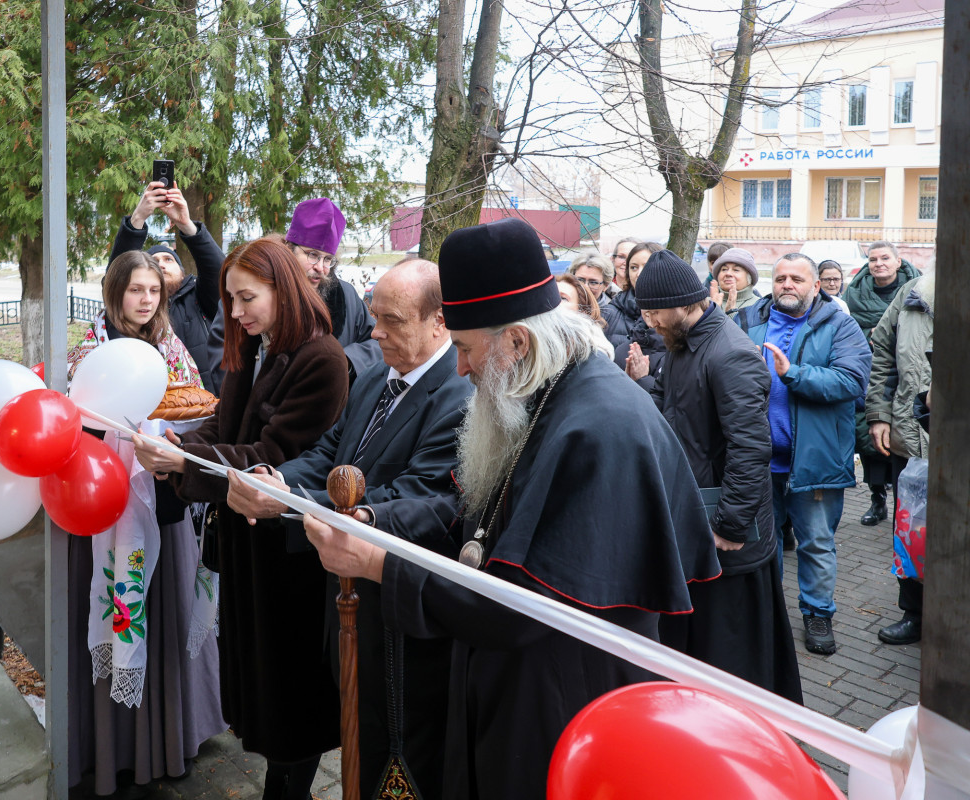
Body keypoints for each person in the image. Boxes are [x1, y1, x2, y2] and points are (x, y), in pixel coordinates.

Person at [301, 217, 720, 799]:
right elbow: (485, 521)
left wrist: (378, 565)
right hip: (529, 686)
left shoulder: (598, 428)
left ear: (518, 341)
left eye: (468, 349)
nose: (462, 368)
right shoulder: (549, 389)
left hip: (561, 706)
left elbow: (523, 605)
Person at [225, 258, 472, 800]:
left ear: (440, 323)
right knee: (355, 730)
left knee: (393, 751)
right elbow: (329, 454)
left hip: (398, 617)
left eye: (393, 320)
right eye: (375, 315)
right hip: (343, 603)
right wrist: (275, 482)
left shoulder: (460, 396)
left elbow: (413, 495)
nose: (375, 330)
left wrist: (294, 502)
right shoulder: (377, 377)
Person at [132, 237, 349, 800]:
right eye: (229, 299)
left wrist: (184, 461)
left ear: (285, 289)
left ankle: (289, 784)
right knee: (258, 679)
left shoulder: (321, 359)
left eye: (245, 297)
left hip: (288, 553)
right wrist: (181, 446)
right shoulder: (257, 345)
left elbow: (271, 455)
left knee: (291, 689)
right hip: (246, 544)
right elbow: (224, 428)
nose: (235, 312)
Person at [66, 250, 226, 796]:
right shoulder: (92, 347)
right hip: (105, 505)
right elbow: (75, 412)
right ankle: (112, 745)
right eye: (136, 290)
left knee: (168, 612)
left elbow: (196, 400)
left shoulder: (170, 343)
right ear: (114, 290)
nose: (146, 300)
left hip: (165, 497)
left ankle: (171, 735)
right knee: (118, 605)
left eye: (154, 291)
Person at [631, 250, 802, 702]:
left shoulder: (729, 354)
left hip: (730, 537)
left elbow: (751, 449)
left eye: (654, 311)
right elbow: (672, 407)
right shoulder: (684, 344)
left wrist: (729, 523)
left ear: (685, 302)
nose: (649, 322)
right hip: (699, 521)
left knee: (732, 657)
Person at [734, 254, 872, 655]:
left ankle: (817, 614)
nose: (787, 285)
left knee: (815, 543)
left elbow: (851, 381)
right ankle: (768, 614)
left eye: (797, 278)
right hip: (756, 461)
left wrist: (792, 373)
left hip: (814, 459)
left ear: (816, 286)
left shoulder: (840, 324)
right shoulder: (745, 321)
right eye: (780, 279)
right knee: (764, 544)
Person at [205, 197, 379, 389]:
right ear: (290, 250)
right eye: (312, 255)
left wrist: (344, 362)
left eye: (328, 259)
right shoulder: (249, 292)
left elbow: (377, 343)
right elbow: (224, 355)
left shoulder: (345, 295)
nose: (321, 268)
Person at [866, 271, 934, 645]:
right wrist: (879, 414)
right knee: (911, 529)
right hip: (911, 437)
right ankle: (915, 613)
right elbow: (883, 354)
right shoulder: (915, 292)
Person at [108, 180, 225, 392]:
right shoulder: (137, 308)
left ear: (182, 272)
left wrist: (186, 224)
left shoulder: (200, 298)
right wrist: (138, 218)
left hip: (205, 409)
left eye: (168, 259)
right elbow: (117, 276)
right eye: (155, 261)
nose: (161, 263)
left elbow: (219, 273)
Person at [843, 241, 921, 526]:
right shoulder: (854, 293)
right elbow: (848, 330)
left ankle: (909, 507)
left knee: (906, 444)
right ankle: (877, 500)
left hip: (909, 376)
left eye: (885, 258)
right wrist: (872, 334)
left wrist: (888, 332)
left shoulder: (917, 289)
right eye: (873, 259)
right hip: (869, 374)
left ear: (898, 261)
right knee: (870, 438)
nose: (879, 264)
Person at [601, 241, 666, 392]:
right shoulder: (609, 312)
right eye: (634, 267)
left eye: (646, 266)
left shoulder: (677, 317)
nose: (639, 273)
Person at [708, 247, 761, 314]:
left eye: (736, 270)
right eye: (724, 269)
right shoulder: (705, 304)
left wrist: (730, 313)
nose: (728, 273)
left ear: (749, 278)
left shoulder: (759, 307)